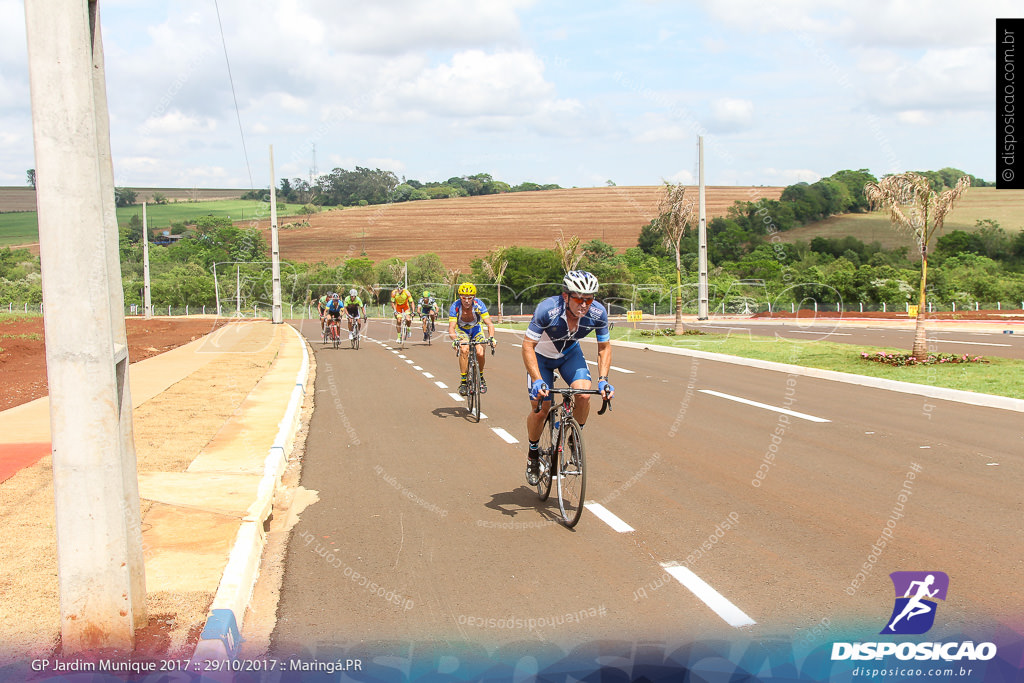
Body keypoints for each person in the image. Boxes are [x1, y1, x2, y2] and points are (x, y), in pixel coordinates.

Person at [522, 270, 614, 485]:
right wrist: (536, 379)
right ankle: (533, 454)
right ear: (566, 297)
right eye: (579, 299)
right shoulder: (547, 309)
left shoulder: (598, 313)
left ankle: (573, 437)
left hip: (569, 355)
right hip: (541, 358)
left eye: (589, 299)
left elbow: (604, 347)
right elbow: (527, 346)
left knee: (583, 395)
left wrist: (603, 379)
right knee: (541, 409)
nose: (584, 305)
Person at [447, 282, 496, 395]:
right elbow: (451, 328)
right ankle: (463, 382)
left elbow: (489, 324)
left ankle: (481, 377)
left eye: (470, 298)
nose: (467, 301)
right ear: (460, 297)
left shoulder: (479, 304)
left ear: (474, 297)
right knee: (464, 349)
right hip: (462, 331)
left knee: (480, 352)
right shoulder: (455, 306)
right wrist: (455, 340)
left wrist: (492, 337)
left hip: (476, 329)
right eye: (464, 298)